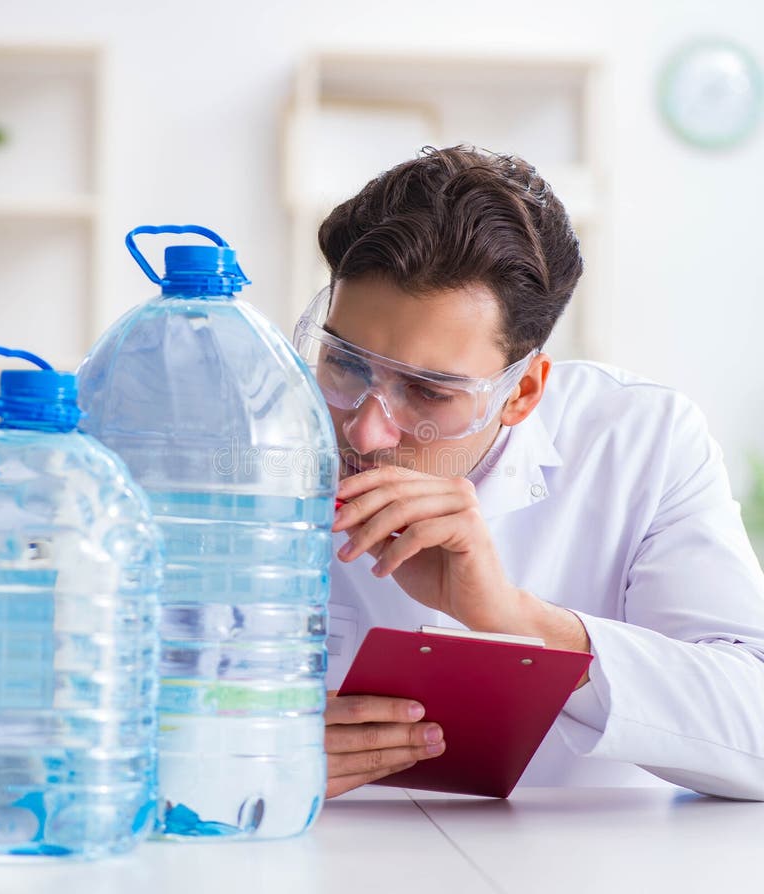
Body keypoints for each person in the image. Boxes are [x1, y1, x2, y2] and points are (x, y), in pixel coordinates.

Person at [292, 146, 764, 801]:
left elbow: (757, 727)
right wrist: (236, 746)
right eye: (346, 364)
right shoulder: (250, 443)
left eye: (429, 392)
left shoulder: (640, 443)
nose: (366, 431)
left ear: (522, 392)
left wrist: (514, 620)